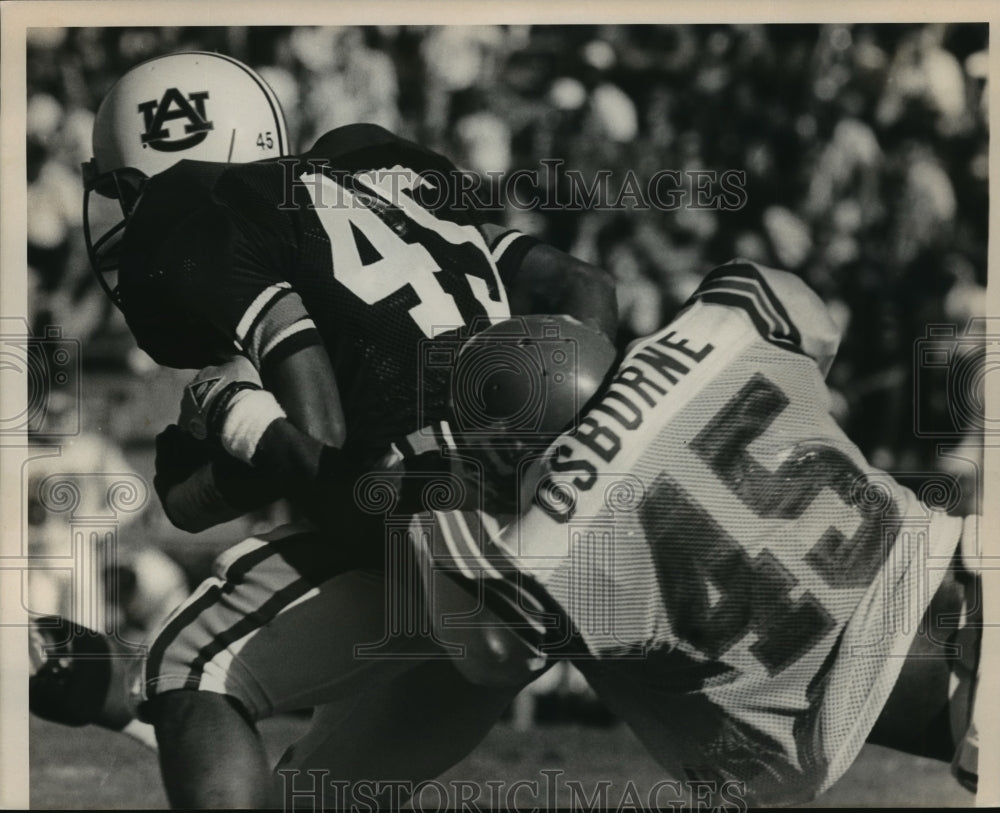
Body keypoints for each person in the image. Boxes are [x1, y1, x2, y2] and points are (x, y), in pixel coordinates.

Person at [34, 49, 617, 808]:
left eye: (128, 189)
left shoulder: (214, 218)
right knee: (306, 796)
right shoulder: (383, 188)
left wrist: (245, 431)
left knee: (189, 666)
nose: (128, 217)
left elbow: (325, 448)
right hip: (524, 527)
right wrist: (574, 449)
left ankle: (111, 682)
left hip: (428, 528)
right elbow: (586, 285)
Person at [185, 259, 981, 806]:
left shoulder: (555, 547)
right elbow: (798, 306)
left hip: (891, 699)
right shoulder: (718, 335)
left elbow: (488, 645)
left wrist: (424, 487)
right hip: (961, 568)